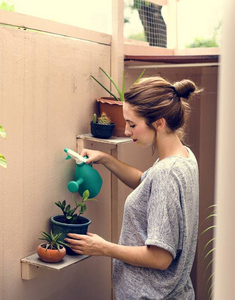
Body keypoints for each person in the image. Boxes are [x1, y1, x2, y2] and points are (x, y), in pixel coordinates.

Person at [65, 76, 201, 299]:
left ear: (159, 123)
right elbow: (146, 183)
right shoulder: (184, 157)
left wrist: (103, 247)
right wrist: (106, 159)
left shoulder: (166, 173)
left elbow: (160, 258)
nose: (127, 132)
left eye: (132, 124)